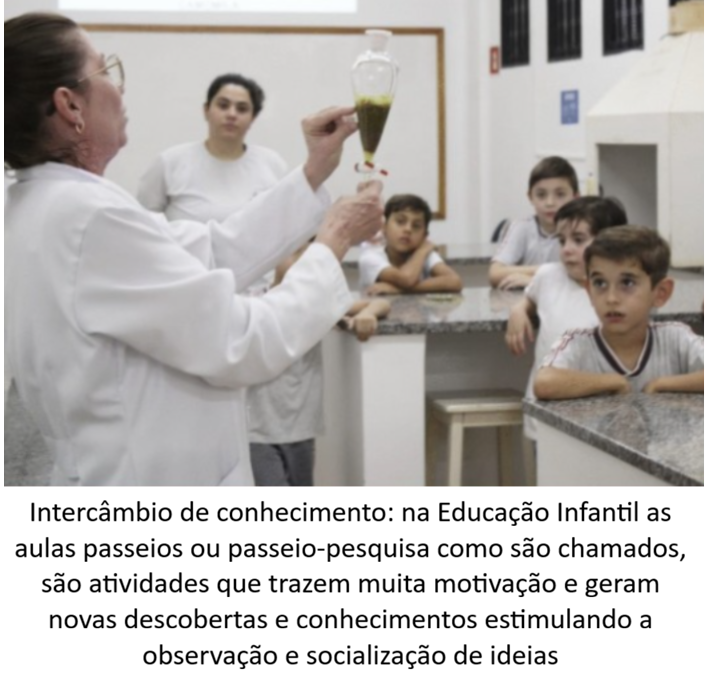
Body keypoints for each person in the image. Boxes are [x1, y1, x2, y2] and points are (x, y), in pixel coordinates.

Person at [4, 13, 384, 486]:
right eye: (106, 70)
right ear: (69, 105)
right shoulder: (88, 218)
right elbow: (243, 341)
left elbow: (211, 251)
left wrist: (312, 172)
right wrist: (332, 243)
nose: (120, 89)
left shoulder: (48, 203)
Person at [248, 243, 391, 486]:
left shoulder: (316, 304)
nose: (300, 262)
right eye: (294, 252)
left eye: (307, 255)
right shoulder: (254, 301)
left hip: (302, 429)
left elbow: (381, 304)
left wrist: (367, 314)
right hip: (257, 433)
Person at [506, 196, 629, 440]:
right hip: (545, 412)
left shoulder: (620, 293)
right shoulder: (549, 275)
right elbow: (531, 297)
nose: (566, 249)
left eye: (578, 240)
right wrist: (518, 309)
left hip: (597, 419)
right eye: (562, 240)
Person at [534, 227, 704, 400]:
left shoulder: (676, 338)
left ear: (660, 293)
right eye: (600, 283)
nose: (611, 298)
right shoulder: (577, 343)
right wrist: (614, 382)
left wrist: (661, 384)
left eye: (627, 283)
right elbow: (544, 384)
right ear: (589, 291)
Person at [137, 73, 288, 225]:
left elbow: (285, 224)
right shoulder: (170, 162)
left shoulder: (272, 164)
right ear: (206, 110)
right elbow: (143, 225)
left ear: (253, 118)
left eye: (242, 109)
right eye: (223, 105)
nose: (232, 114)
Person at [489, 156, 580, 290]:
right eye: (541, 195)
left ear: (575, 197)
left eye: (560, 194)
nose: (550, 203)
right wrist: (551, 272)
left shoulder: (581, 230)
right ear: (530, 197)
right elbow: (495, 274)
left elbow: (584, 275)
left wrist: (536, 280)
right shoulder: (522, 227)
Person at [358, 194, 463, 295]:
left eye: (416, 226)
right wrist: (423, 250)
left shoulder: (425, 253)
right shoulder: (370, 257)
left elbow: (455, 281)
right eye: (400, 221)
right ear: (384, 227)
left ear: (424, 236)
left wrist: (397, 290)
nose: (408, 229)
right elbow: (406, 279)